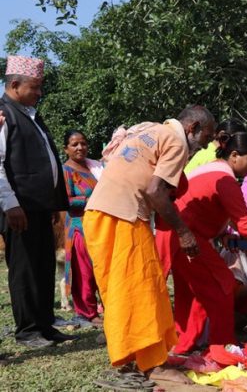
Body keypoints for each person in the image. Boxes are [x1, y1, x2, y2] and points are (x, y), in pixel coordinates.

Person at [82, 105, 215, 382]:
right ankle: (153, 363)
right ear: (193, 128)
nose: (201, 149)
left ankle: (134, 357)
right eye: (204, 140)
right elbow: (155, 191)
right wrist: (184, 232)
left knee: (120, 291)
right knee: (143, 289)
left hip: (98, 213)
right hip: (124, 216)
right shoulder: (176, 140)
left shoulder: (150, 129)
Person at [155, 132, 247, 354]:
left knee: (191, 295)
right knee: (221, 287)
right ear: (233, 155)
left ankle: (183, 346)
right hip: (188, 237)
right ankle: (220, 348)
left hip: (175, 234)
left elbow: (205, 208)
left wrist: (221, 231)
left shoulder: (211, 167)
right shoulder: (225, 179)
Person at [0, 55, 73, 349]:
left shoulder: (31, 114)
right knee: (25, 268)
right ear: (15, 84)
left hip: (40, 207)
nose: (40, 93)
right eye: (35, 87)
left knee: (43, 266)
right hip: (20, 207)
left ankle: (45, 324)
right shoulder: (3, 114)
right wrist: (10, 204)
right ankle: (28, 330)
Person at [61, 129, 104, 327]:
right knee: (84, 271)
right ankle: (88, 312)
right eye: (74, 144)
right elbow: (66, 201)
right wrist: (91, 199)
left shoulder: (94, 167)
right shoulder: (66, 171)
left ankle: (103, 306)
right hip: (79, 227)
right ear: (66, 149)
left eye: (83, 143)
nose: (80, 148)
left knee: (100, 268)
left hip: (99, 225)